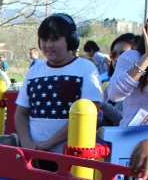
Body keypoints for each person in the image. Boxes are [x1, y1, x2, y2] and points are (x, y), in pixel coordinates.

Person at [13, 14, 102, 152]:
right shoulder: (34, 71)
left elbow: (90, 112)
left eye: (55, 39)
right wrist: (26, 143)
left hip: (72, 158)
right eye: (44, 39)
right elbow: (21, 113)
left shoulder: (86, 68)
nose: (48, 45)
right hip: (34, 157)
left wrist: (51, 142)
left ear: (71, 40)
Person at [102, 33, 142, 126]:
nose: (117, 58)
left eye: (124, 54)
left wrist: (102, 104)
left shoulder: (139, 89)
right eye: (114, 54)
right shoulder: (107, 87)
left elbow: (124, 120)